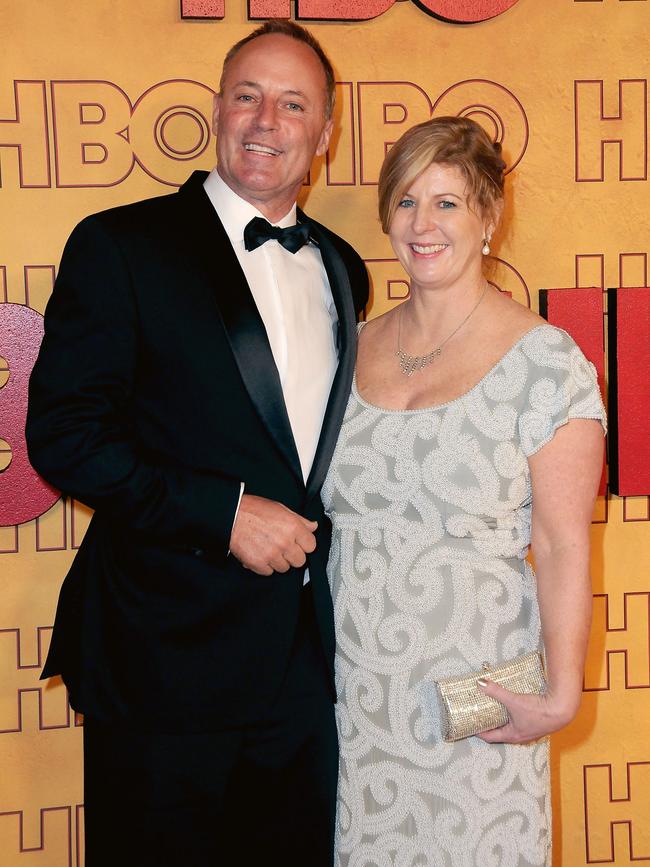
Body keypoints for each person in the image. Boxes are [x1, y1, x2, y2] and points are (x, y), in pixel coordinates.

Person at [26, 20, 368, 867]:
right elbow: (64, 437)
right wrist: (223, 514)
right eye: (247, 95)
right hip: (161, 663)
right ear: (218, 108)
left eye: (294, 104)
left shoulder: (342, 267)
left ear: (324, 133)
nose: (266, 120)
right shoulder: (122, 245)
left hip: (301, 671)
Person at [321, 116, 606, 866]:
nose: (424, 224)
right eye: (407, 200)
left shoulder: (548, 364)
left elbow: (562, 542)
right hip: (352, 702)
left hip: (474, 703)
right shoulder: (349, 348)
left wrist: (561, 690)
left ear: (488, 217)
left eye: (448, 203)